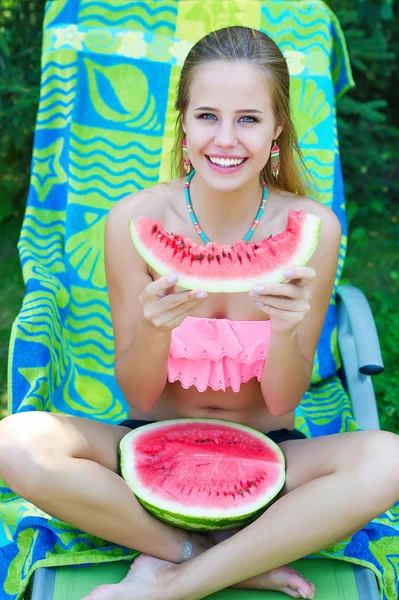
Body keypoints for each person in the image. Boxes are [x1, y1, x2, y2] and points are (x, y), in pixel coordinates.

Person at [1, 25, 398, 600]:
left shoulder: (313, 229)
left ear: (277, 128)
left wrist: (286, 332)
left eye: (249, 119)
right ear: (183, 123)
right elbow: (138, 396)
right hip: (150, 441)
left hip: (272, 453)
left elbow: (284, 401)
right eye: (208, 116)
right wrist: (157, 331)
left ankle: (171, 585)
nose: (226, 140)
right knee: (17, 441)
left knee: (386, 459)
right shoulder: (135, 223)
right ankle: (219, 556)